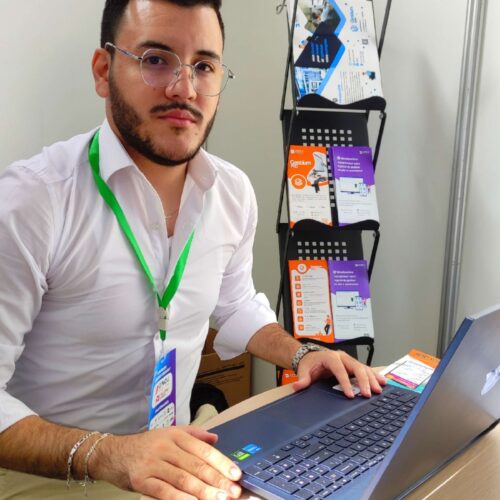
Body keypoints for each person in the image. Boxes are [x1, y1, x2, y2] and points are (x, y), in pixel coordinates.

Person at [0, 1, 386, 498]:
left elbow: (235, 302)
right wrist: (108, 454)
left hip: (178, 453)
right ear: (103, 70)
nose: (184, 89)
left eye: (203, 66)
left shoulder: (231, 191)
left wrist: (303, 353)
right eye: (156, 60)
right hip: (54, 471)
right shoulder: (32, 201)